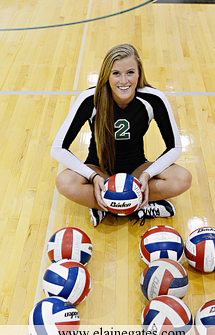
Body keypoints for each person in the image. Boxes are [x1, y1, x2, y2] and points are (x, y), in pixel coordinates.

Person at [51, 43, 191, 227]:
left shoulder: (153, 99)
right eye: (116, 73)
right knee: (65, 182)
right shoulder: (91, 99)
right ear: (106, 75)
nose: (124, 80)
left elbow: (175, 147)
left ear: (139, 73)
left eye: (130, 72)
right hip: (100, 171)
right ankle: (140, 207)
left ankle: (103, 207)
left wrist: (148, 174)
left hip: (137, 171)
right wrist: (92, 177)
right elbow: (57, 149)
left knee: (182, 178)